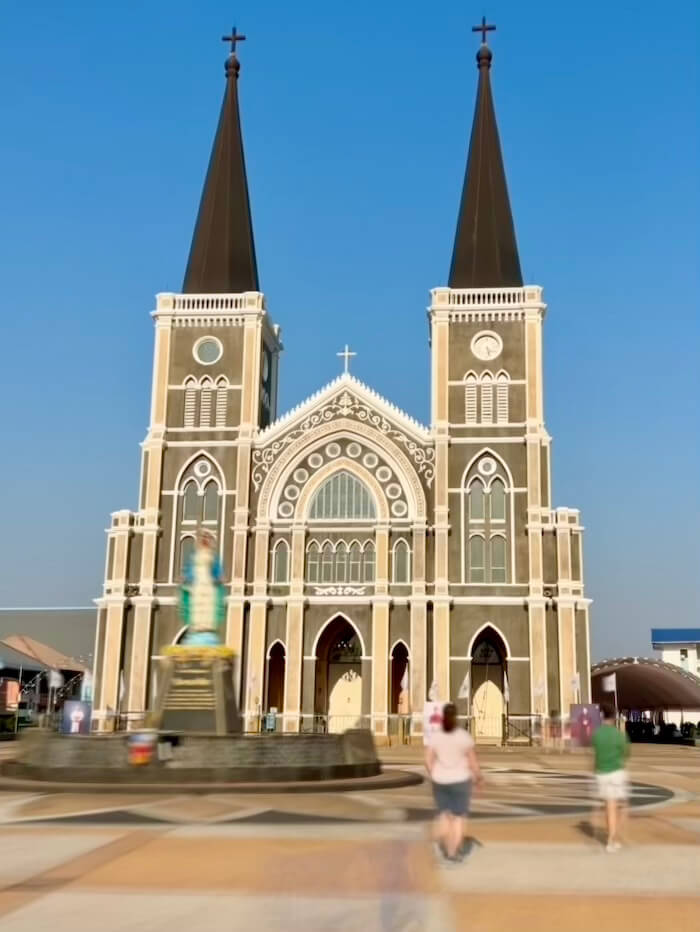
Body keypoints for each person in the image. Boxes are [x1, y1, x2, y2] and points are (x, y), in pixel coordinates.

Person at [425, 702, 482, 863]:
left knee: (444, 816)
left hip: (440, 780)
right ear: (455, 717)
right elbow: (472, 761)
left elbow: (428, 759)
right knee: (458, 818)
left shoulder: (436, 736)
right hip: (460, 781)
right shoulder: (463, 736)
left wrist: (434, 773)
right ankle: (452, 853)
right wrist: (478, 777)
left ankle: (437, 845)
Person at [591, 704, 630, 852]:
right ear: (614, 718)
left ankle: (611, 838)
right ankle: (612, 838)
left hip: (601, 773)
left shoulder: (597, 734)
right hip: (616, 772)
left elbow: (595, 753)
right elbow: (626, 754)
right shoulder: (619, 734)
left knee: (609, 806)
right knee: (620, 807)